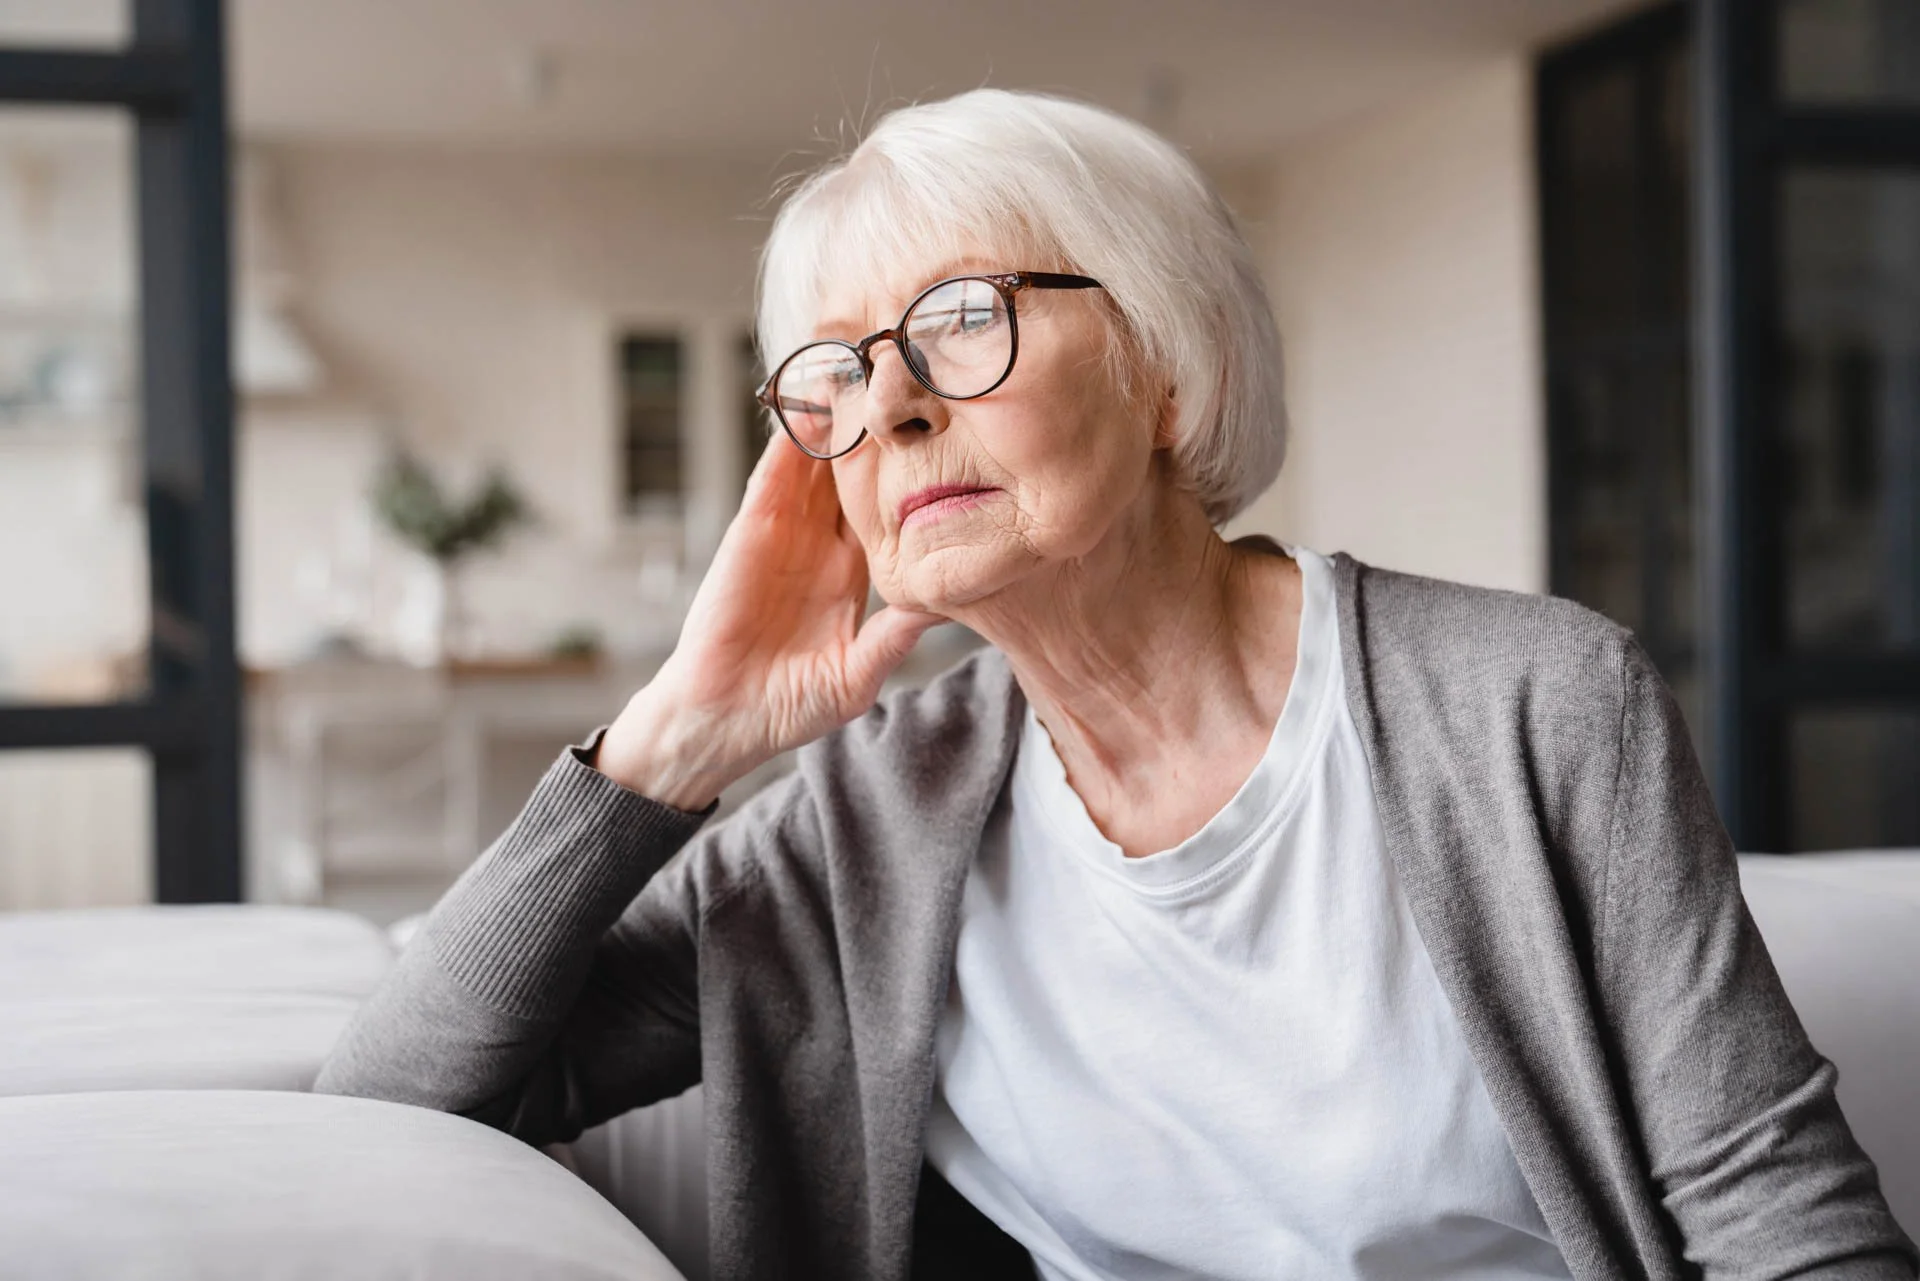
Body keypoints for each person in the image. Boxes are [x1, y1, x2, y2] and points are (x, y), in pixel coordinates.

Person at [315, 89, 1916, 1280]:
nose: (896, 410)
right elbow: (393, 1100)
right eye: (837, 374)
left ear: (1165, 364)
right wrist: (671, 742)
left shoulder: (1530, 705)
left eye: (959, 325)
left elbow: (1789, 1228)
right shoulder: (863, 821)